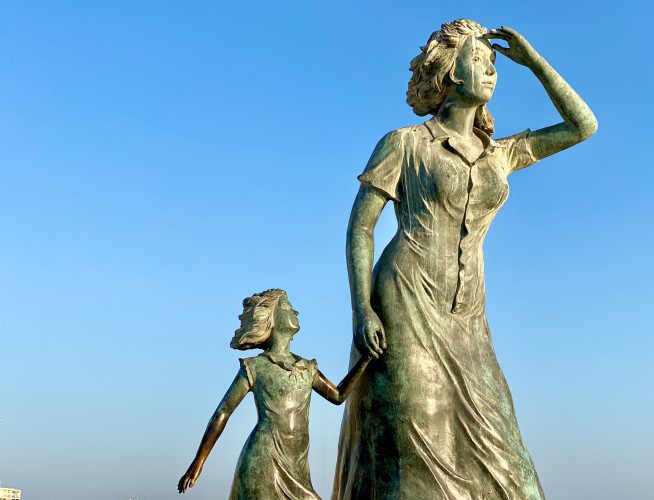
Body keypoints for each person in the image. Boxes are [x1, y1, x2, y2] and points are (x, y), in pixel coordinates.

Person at [333, 20, 597, 499]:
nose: (493, 71)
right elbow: (361, 226)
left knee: (504, 451)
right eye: (481, 60)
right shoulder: (405, 143)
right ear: (451, 72)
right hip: (405, 298)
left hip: (469, 316)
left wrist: (534, 62)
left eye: (494, 64)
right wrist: (361, 309)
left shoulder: (502, 153)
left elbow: (583, 126)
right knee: (417, 436)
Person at [178, 289, 372, 499]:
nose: (295, 311)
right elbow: (223, 412)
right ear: (271, 318)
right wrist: (199, 461)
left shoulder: (307, 368)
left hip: (296, 464)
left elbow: (338, 395)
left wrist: (366, 358)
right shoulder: (255, 367)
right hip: (264, 459)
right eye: (288, 308)